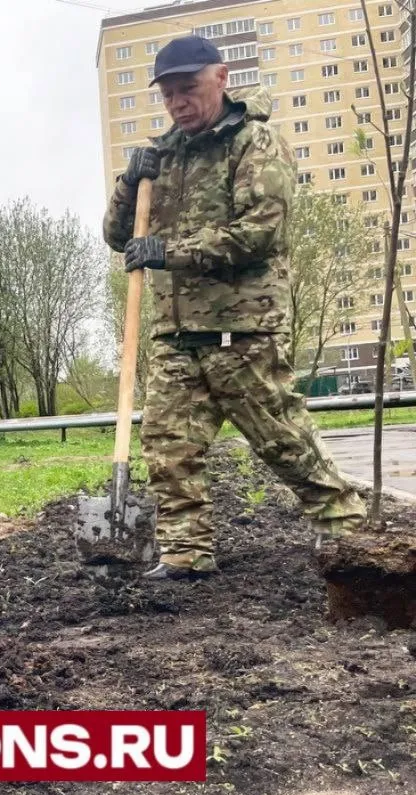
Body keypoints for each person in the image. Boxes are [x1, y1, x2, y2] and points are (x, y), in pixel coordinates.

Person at [103, 35, 366, 580]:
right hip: (175, 334)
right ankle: (186, 552)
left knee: (282, 439)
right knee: (168, 449)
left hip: (242, 328)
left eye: (188, 89)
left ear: (220, 78)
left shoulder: (255, 142)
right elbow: (117, 236)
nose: (178, 103)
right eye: (169, 93)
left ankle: (346, 532)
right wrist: (130, 182)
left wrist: (170, 252)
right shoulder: (163, 156)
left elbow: (261, 232)